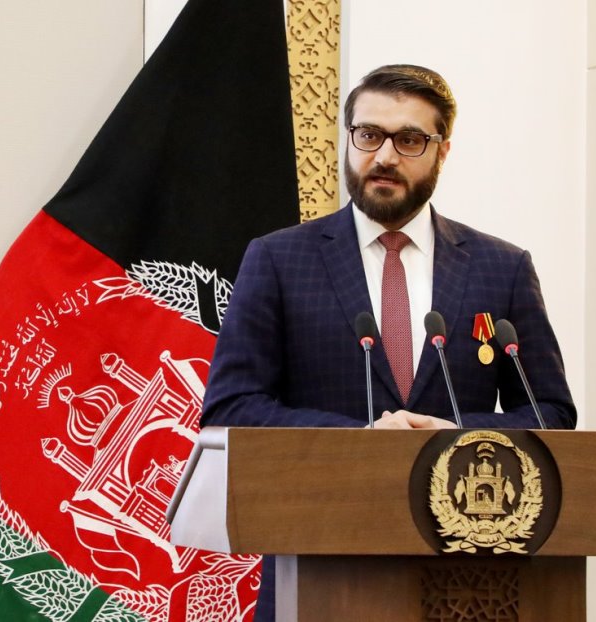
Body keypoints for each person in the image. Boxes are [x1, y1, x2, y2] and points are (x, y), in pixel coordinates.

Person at [199, 64, 576, 619]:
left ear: (443, 151)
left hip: (468, 579)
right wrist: (361, 439)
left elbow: (551, 412)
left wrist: (457, 435)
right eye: (369, 135)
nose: (384, 156)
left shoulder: (502, 268)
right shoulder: (279, 259)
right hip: (320, 567)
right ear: (348, 138)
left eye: (410, 140)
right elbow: (231, 408)